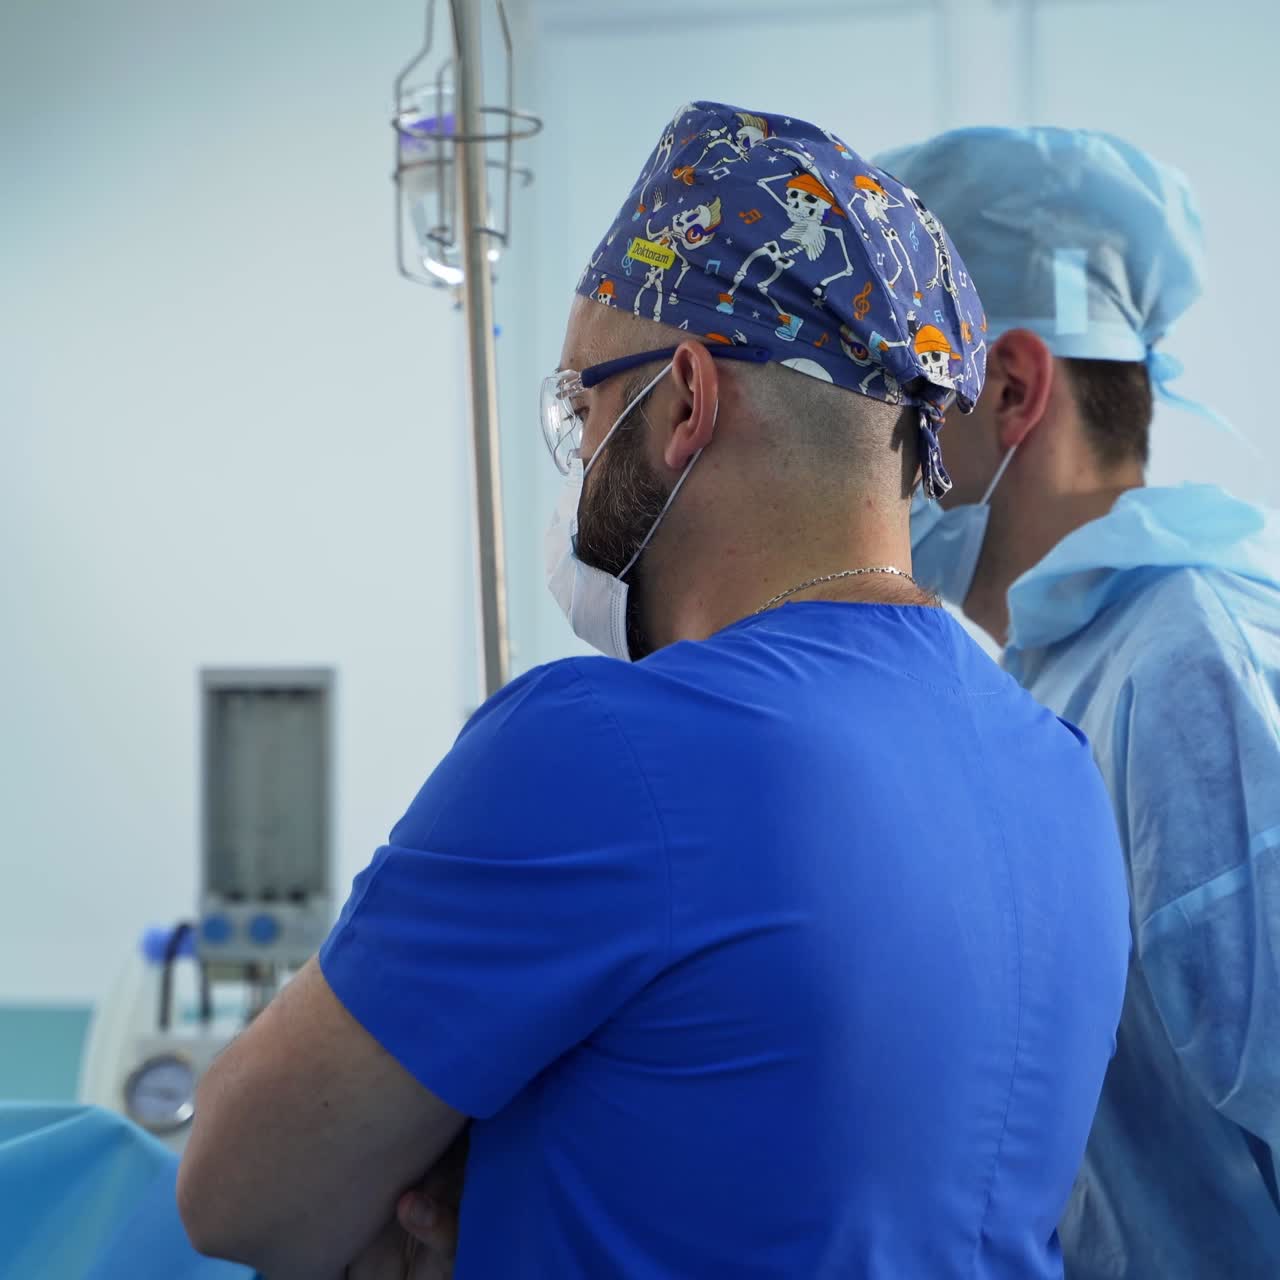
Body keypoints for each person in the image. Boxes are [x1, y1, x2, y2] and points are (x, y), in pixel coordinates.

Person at [176, 103, 1129, 1279]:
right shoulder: (1054, 768)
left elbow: (237, 1197)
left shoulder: (602, 749)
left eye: (580, 406)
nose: (577, 456)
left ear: (684, 400)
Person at [880, 125, 1280, 1278]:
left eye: (898, 403)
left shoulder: (1181, 667)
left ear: (1009, 388)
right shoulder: (1058, 666)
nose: (873, 456)